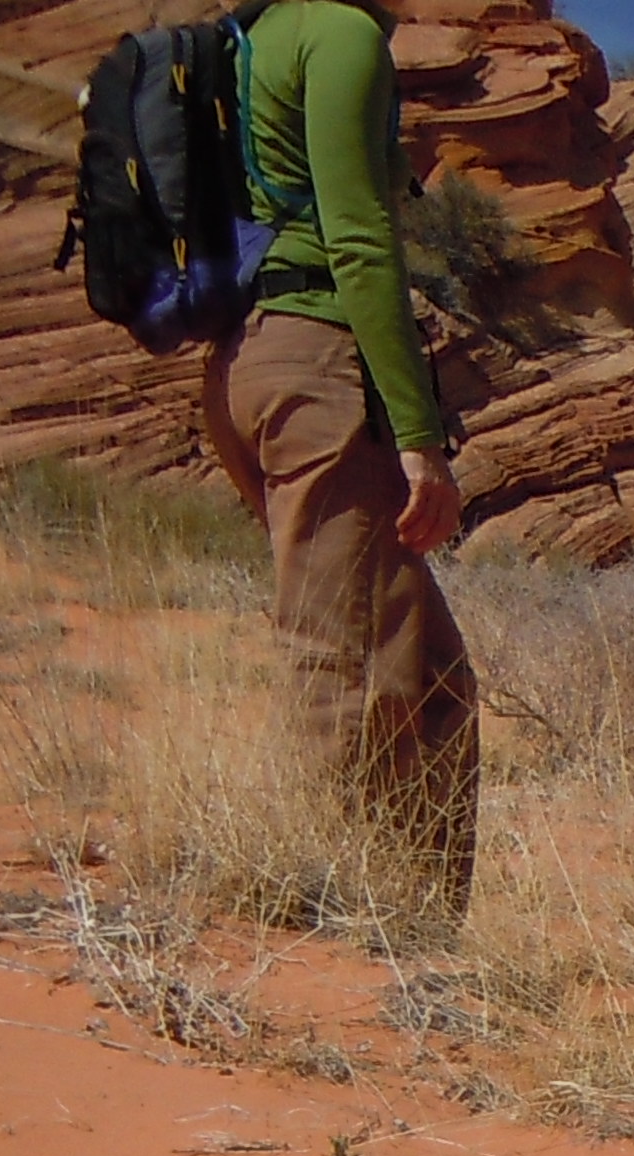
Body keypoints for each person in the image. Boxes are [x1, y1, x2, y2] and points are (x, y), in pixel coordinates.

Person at [197, 0, 478, 915]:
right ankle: (328, 937)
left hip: (245, 364)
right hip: (318, 363)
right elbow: (360, 243)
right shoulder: (340, 34)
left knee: (432, 678)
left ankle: (421, 933)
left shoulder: (250, 37)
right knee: (348, 669)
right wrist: (418, 434)